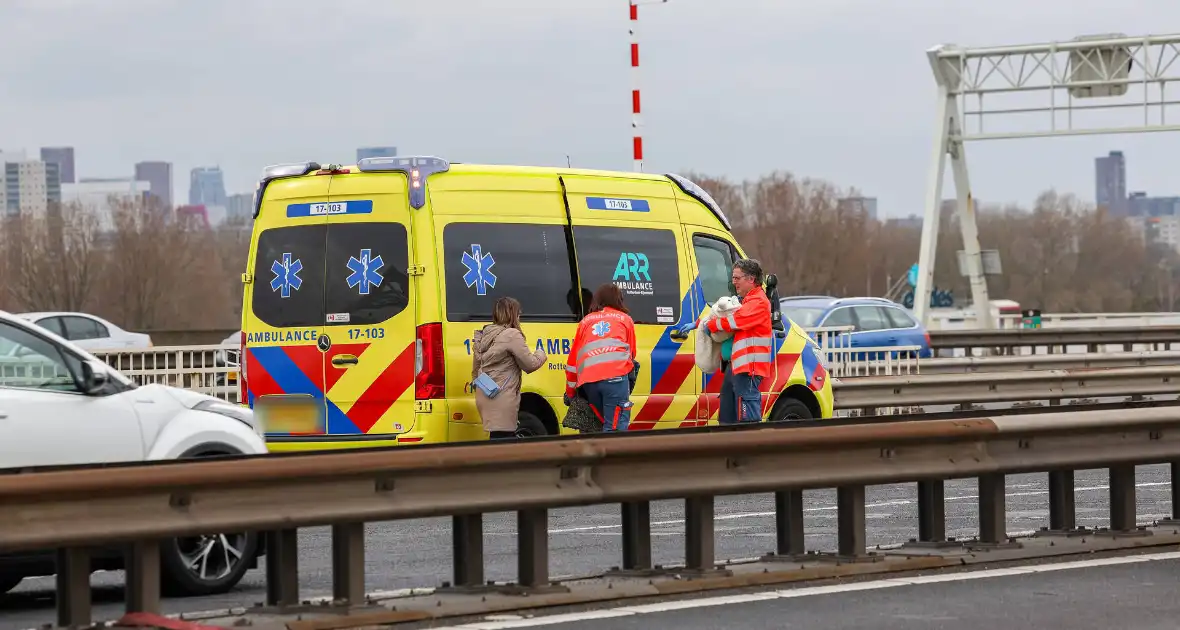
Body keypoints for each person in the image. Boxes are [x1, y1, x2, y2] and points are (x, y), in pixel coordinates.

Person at [676, 258, 773, 424]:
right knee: (728, 411)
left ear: (751, 279)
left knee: (746, 414)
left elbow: (734, 321)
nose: (734, 282)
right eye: (733, 278)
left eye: (737, 278)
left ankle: (750, 445)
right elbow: (725, 316)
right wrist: (700, 324)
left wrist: (710, 326)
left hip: (749, 367)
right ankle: (730, 444)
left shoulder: (758, 302)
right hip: (737, 365)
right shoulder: (746, 300)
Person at [564, 283, 637, 432]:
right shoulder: (625, 319)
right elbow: (631, 354)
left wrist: (570, 393)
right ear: (619, 299)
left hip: (589, 382)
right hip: (615, 379)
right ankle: (613, 455)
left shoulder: (585, 321)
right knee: (614, 427)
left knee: (596, 425)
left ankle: (595, 453)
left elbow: (573, 363)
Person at [471, 297, 547, 439]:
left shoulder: (483, 336)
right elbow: (530, 365)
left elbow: (475, 370)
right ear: (513, 314)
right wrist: (540, 353)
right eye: (518, 313)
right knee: (503, 441)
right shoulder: (512, 335)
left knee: (498, 437)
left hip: (485, 393)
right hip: (501, 395)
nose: (519, 317)